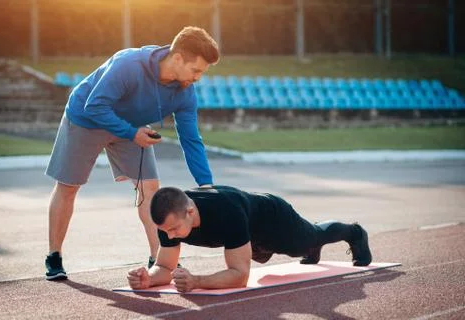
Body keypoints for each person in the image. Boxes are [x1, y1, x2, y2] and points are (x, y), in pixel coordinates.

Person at [44, 26, 219, 280]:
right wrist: (130, 133)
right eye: (196, 70)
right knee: (68, 186)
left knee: (150, 187)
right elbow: (95, 105)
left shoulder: (185, 92)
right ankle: (54, 256)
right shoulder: (129, 64)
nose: (198, 78)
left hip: (131, 127)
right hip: (87, 118)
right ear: (178, 58)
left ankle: (158, 259)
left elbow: (191, 140)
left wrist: (206, 186)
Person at [127, 185, 373, 293]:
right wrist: (148, 278)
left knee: (311, 238)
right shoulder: (168, 219)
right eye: (165, 231)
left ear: (190, 212)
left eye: (173, 230)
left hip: (274, 220)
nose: (169, 236)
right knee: (281, 253)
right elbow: (165, 267)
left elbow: (240, 276)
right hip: (248, 234)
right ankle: (310, 247)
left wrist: (196, 281)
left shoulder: (226, 212)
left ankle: (355, 233)